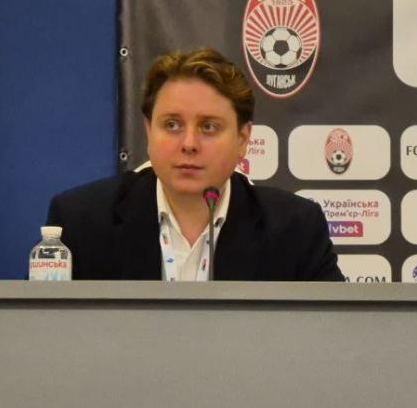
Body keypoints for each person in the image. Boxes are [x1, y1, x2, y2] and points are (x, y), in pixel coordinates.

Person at [46, 47, 342, 281]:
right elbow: (44, 330)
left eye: (209, 127)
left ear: (243, 138)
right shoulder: (81, 222)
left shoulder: (295, 229)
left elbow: (334, 331)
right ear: (149, 131)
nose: (189, 143)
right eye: (172, 125)